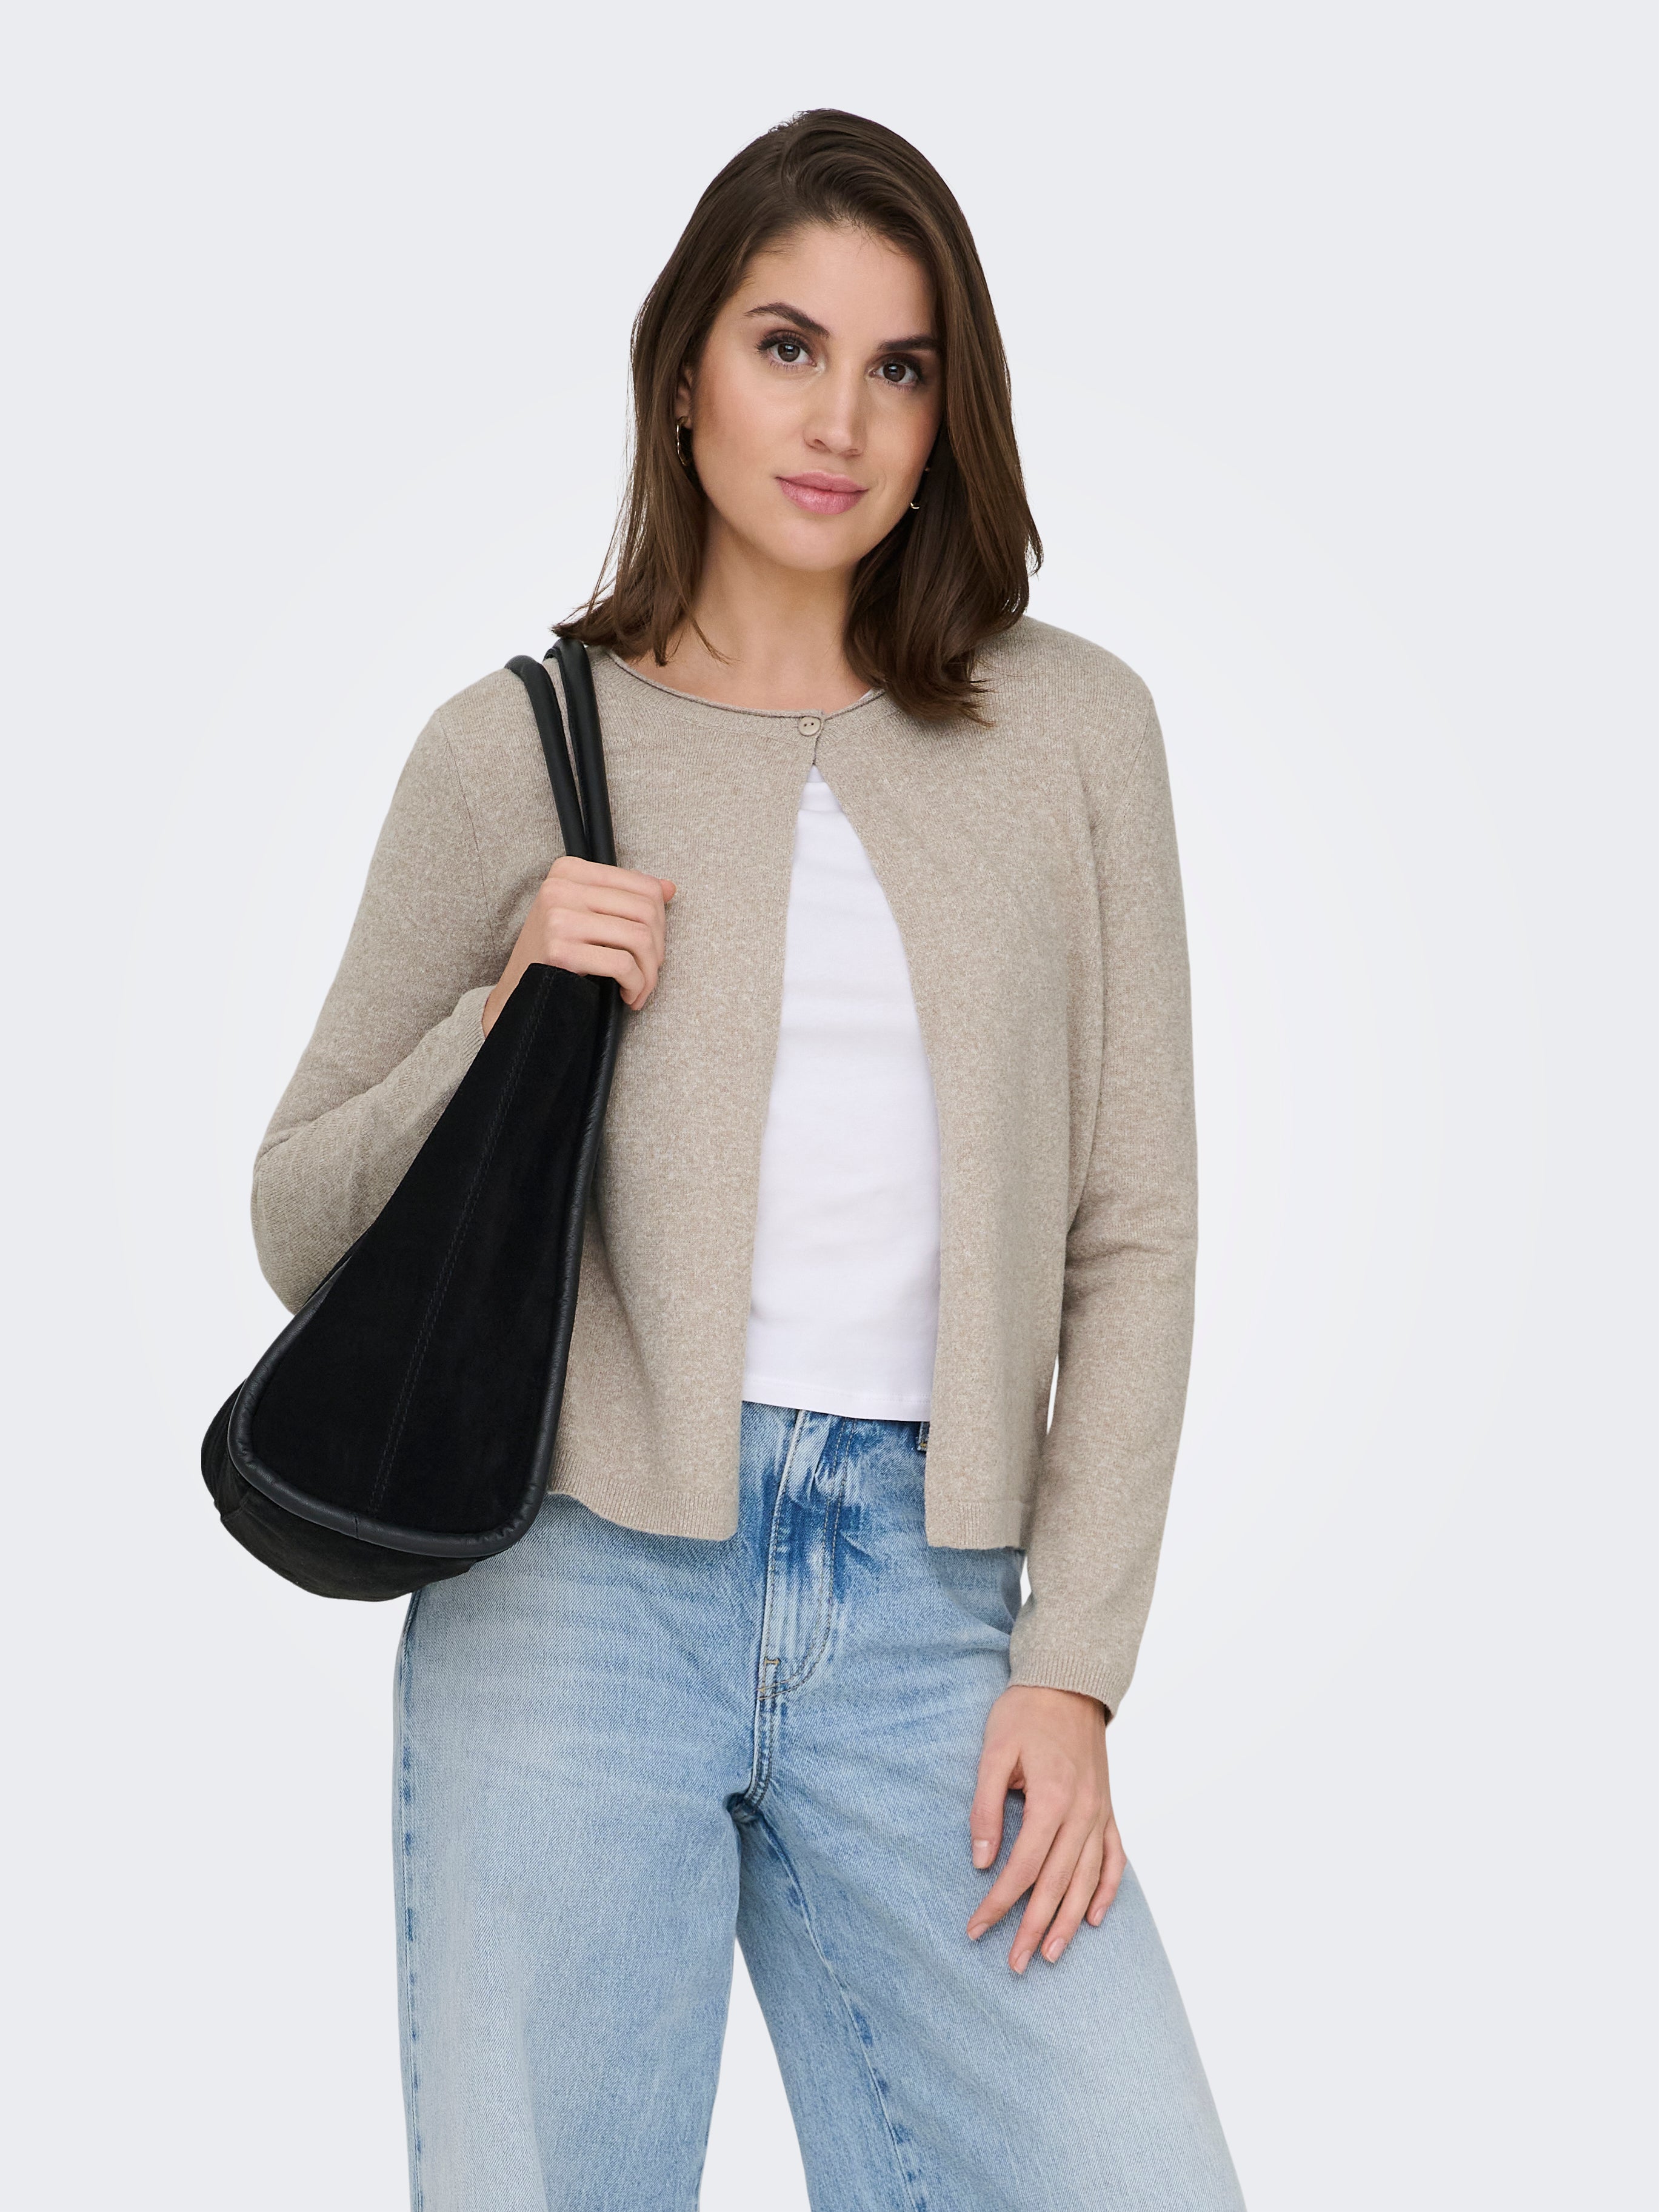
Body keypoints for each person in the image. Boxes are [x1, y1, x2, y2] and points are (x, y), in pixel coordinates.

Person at [252, 107, 1244, 2212]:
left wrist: (1072, 1664)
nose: (839, 421)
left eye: (900, 368)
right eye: (787, 346)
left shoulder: (1073, 735)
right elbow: (298, 1215)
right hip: (571, 1596)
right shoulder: (514, 751)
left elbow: (1134, 1227)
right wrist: (505, 1000)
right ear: (685, 368)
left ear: (948, 412)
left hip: (930, 1609)